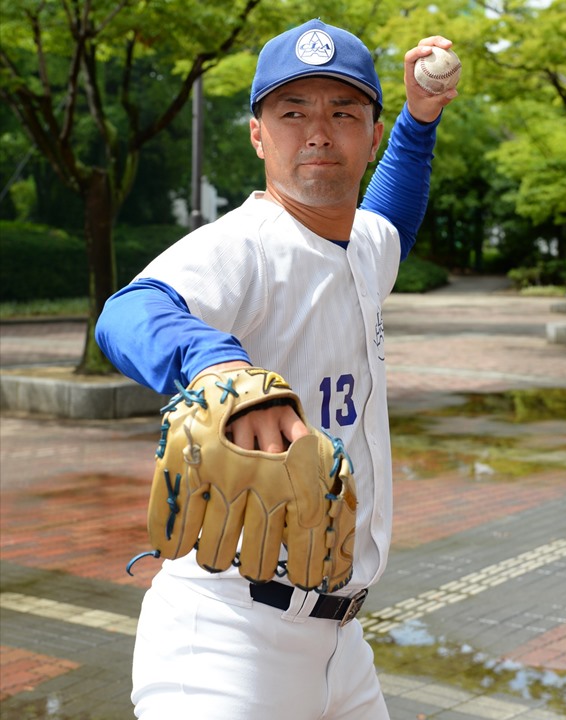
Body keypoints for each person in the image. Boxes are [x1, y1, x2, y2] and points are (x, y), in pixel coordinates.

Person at [96, 18, 457, 720]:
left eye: (343, 112)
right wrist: (226, 370)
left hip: (345, 645)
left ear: (370, 135)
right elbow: (127, 313)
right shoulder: (246, 245)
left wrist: (420, 119)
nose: (318, 132)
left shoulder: (364, 244)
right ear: (259, 135)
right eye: (292, 113)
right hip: (227, 638)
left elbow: (390, 222)